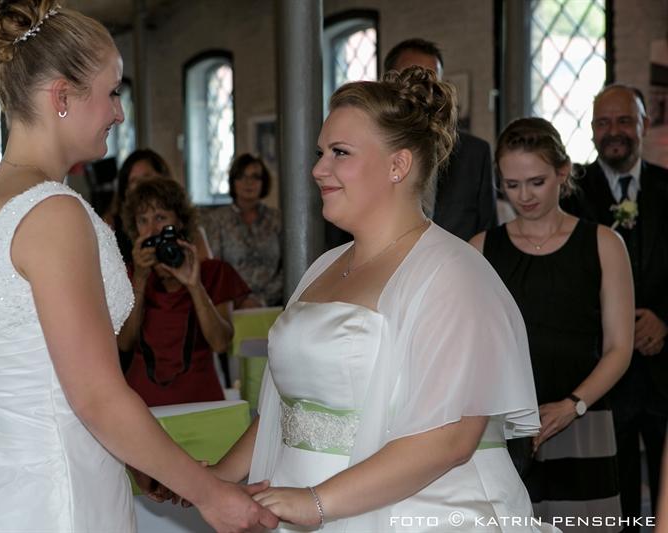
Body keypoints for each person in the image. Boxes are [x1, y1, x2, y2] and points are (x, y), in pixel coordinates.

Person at [0, 2, 277, 532]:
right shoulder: (53, 211)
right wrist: (213, 494)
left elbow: (46, 378)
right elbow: (95, 395)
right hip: (62, 500)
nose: (119, 113)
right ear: (62, 97)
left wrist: (139, 456)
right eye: (112, 92)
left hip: (8, 485)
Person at [205, 67, 554, 531]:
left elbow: (450, 438)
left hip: (416, 510)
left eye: (340, 153)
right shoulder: (322, 267)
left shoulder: (452, 273)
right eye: (320, 152)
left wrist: (316, 502)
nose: (317, 169)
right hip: (300, 501)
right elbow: (290, 408)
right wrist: (214, 480)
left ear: (398, 165)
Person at [471, 117, 634, 530]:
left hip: (583, 417)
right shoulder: (481, 249)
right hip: (503, 426)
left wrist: (573, 405)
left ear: (563, 173)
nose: (523, 196)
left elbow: (619, 347)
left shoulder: (603, 244)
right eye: (511, 184)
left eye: (536, 182)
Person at [562, 84, 668, 531]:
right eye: (603, 123)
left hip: (665, 367)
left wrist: (666, 320)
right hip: (605, 371)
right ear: (591, 130)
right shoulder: (571, 193)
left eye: (624, 120)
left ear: (644, 124)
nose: (614, 132)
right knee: (615, 499)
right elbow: (567, 278)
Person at [117, 177, 249, 406]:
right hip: (141, 402)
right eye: (143, 220)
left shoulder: (212, 272)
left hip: (201, 400)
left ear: (179, 222)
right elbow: (124, 343)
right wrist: (140, 278)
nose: (152, 230)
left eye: (160, 218)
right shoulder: (130, 274)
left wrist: (194, 285)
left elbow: (220, 344)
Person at [386, 38, 497, 240]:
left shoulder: (475, 154)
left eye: (431, 82)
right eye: (411, 79)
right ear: (387, 84)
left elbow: (488, 237)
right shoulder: (369, 150)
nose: (421, 91)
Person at [107, 149, 211, 268]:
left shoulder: (191, 230)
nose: (141, 185)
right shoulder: (112, 227)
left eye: (147, 177)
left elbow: (207, 271)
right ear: (125, 189)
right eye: (133, 181)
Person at [204, 153, 283, 308]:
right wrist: (238, 300)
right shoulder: (216, 220)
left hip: (273, 305)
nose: (249, 183)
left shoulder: (277, 219)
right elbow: (214, 269)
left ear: (263, 182)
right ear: (233, 182)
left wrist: (261, 300)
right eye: (242, 176)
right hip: (229, 307)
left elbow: (287, 267)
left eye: (255, 177)